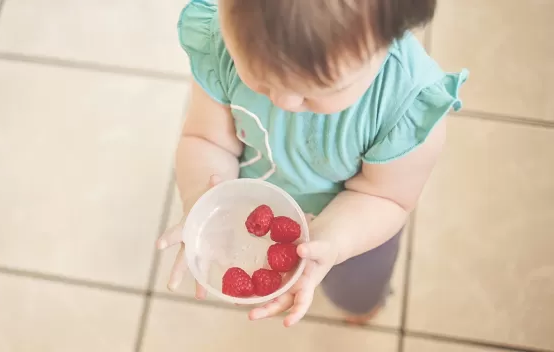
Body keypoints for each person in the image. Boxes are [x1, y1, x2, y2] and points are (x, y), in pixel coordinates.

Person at [157, 0, 468, 327]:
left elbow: (385, 197)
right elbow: (208, 139)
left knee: (355, 289)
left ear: (389, 38)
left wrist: (332, 241)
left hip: (355, 225)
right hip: (257, 199)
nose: (284, 102)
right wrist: (201, 197)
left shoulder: (406, 106)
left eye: (315, 91)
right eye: (261, 78)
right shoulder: (223, 39)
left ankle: (361, 306)